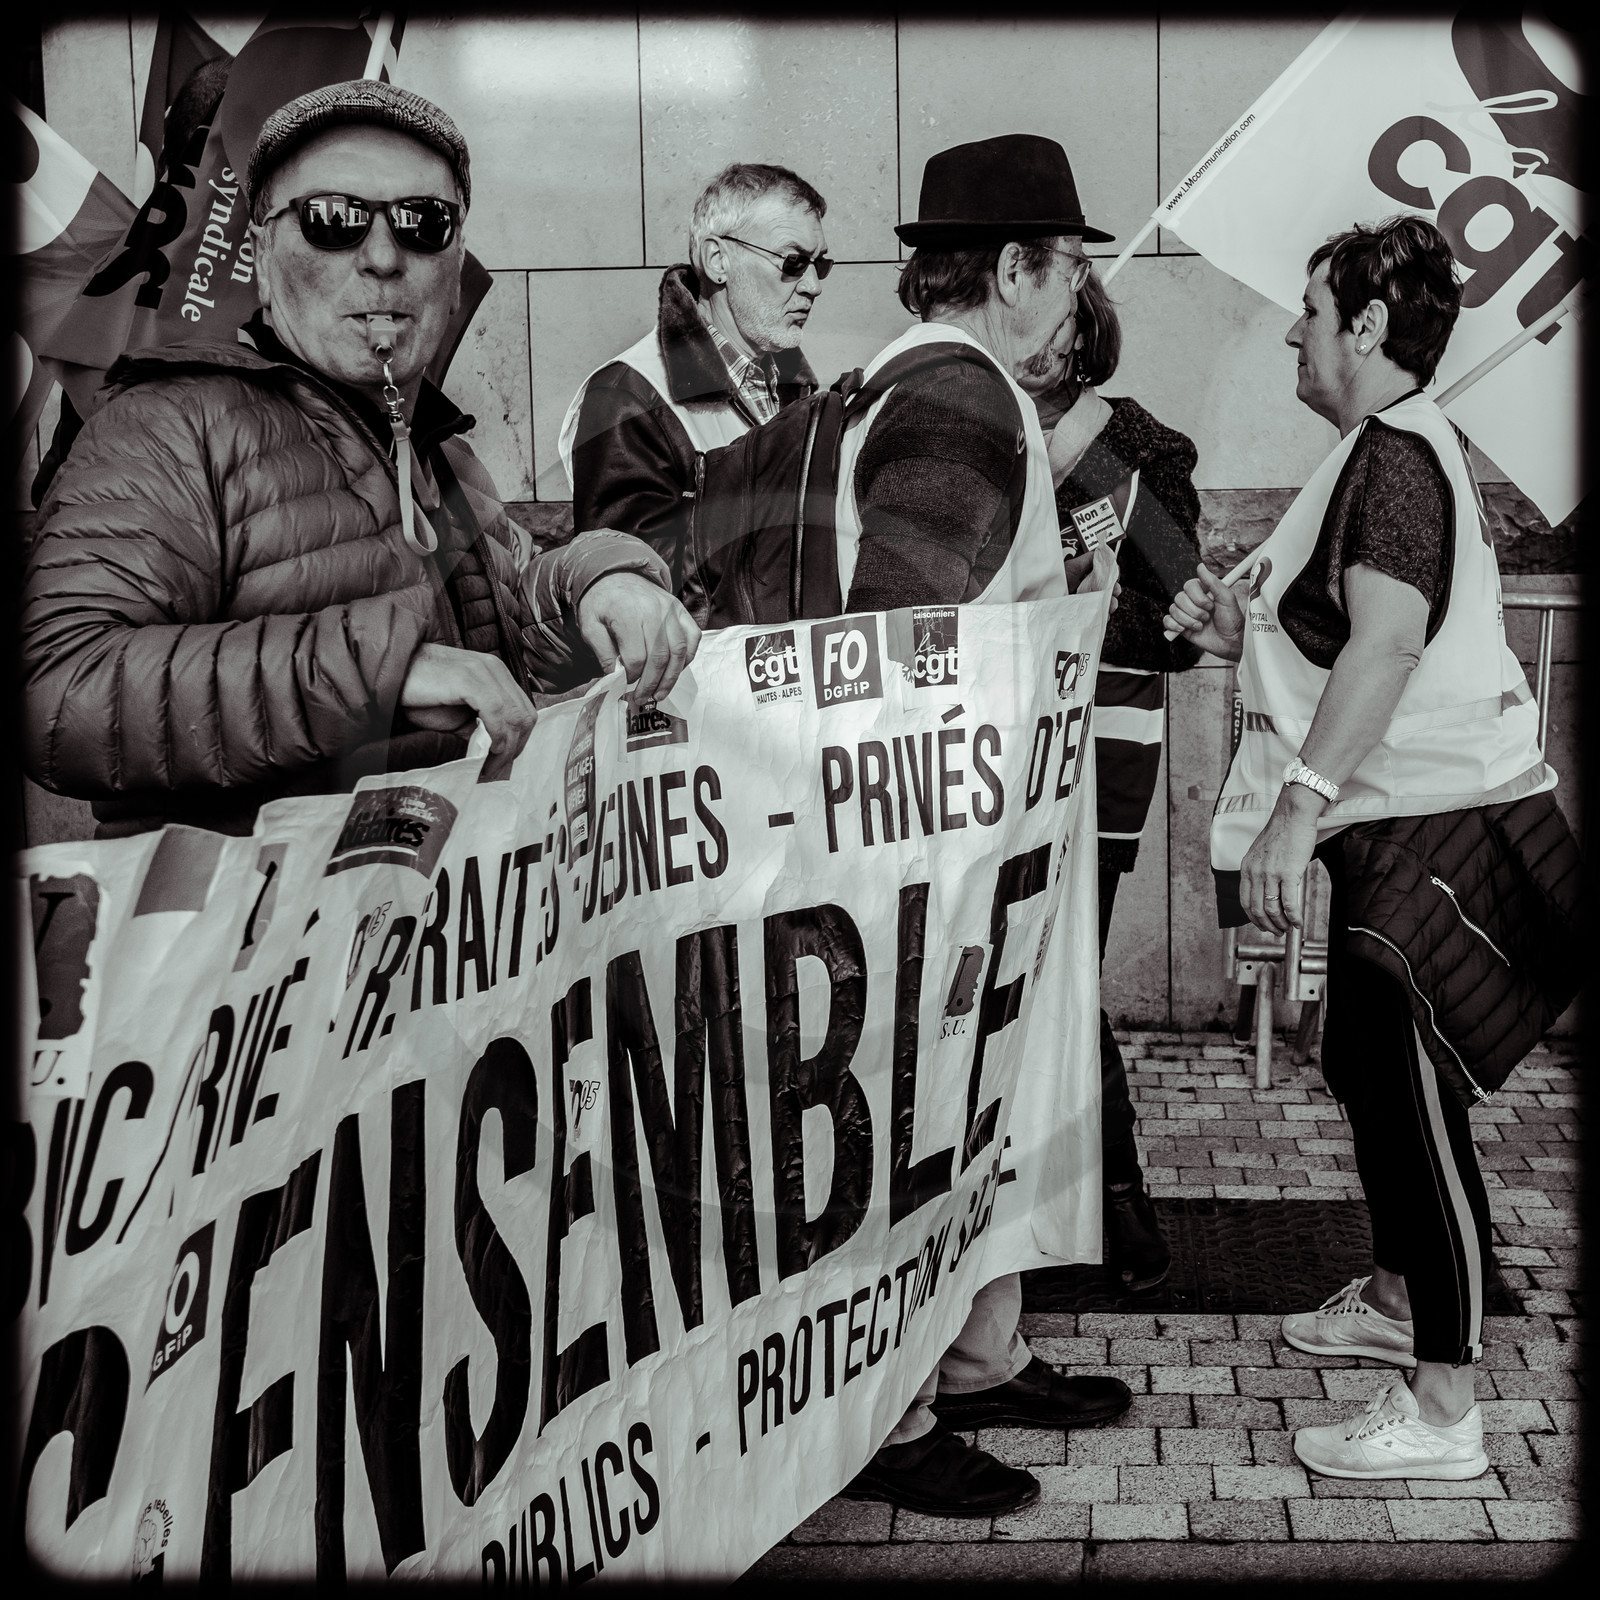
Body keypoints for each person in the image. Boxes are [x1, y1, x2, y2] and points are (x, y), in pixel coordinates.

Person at [1166, 216, 1581, 1483]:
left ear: (1364, 327)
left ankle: (1447, 1409)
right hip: (1402, 822)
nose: (1291, 332)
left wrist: (1297, 802)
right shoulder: (1377, 455)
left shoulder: (1395, 455)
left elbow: (1388, 644)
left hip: (1422, 829)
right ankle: (1400, 1301)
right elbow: (1338, 635)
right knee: (1369, 1068)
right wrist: (1240, 637)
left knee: (1415, 1108)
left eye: (1308, 310)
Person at [23, 80, 699, 838]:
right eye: (333, 221)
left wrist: (596, 578)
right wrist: (380, 670)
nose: (382, 257)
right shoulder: (168, 425)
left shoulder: (444, 454)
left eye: (422, 223)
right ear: (261, 251)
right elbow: (58, 689)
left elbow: (512, 608)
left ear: (456, 261)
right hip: (246, 946)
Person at [836, 134, 1131, 1522]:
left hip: (966, 840)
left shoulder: (942, 388)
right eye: (1069, 264)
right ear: (1012, 268)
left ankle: (978, 1355)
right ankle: (896, 1421)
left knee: (981, 1105)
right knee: (930, 1118)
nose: (1080, 293)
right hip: (939, 848)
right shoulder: (960, 400)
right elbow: (908, 642)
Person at [1028, 269, 1206, 1291]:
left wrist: (1081, 608)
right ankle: (1071, 1208)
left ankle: (1114, 1203)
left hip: (1098, 750)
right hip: (986, 751)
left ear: (1086, 329)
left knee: (1065, 972)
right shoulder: (974, 430)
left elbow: (1179, 622)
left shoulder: (1137, 451)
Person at [560, 162, 826, 590]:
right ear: (717, 260)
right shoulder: (626, 396)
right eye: (793, 262)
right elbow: (637, 594)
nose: (813, 285)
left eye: (820, 264)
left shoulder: (794, 385)